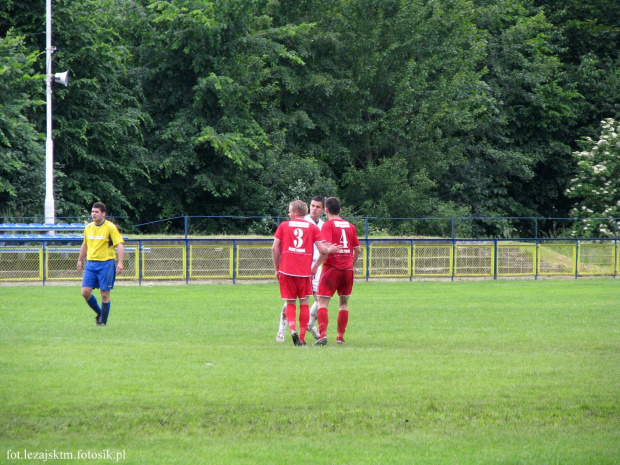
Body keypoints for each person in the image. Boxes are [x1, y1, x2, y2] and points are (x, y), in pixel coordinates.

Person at [272, 200, 329, 346]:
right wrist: (316, 266)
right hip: (304, 272)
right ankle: (302, 338)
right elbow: (323, 250)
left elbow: (274, 248)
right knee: (304, 302)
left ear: (296, 212)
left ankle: (292, 330)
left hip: (286, 270)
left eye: (290, 211)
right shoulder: (312, 228)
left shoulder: (284, 226)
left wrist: (277, 269)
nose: (288, 213)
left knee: (290, 302)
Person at [311, 197, 361, 345]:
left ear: (326, 210)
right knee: (344, 303)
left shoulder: (328, 225)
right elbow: (358, 250)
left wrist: (314, 266)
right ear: (340, 209)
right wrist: (350, 263)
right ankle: (340, 337)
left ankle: (323, 335)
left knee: (322, 302)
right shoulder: (350, 226)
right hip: (347, 270)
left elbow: (326, 249)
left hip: (332, 268)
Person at [77, 202, 124, 326]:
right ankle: (99, 313)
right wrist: (80, 259)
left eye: (96, 212)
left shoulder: (110, 227)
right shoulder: (88, 228)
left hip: (106, 264)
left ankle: (103, 322)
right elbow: (85, 244)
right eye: (92, 211)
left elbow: (119, 244)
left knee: (104, 295)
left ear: (103, 214)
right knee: (85, 292)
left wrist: (120, 262)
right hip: (91, 264)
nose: (93, 214)